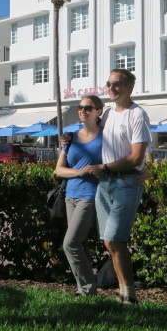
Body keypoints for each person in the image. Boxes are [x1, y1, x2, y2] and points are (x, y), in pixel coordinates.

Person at [86, 69, 151, 305]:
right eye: (109, 84)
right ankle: (123, 293)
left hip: (126, 182)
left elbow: (136, 156)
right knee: (108, 241)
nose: (111, 88)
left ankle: (129, 296)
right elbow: (90, 135)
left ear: (130, 86)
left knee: (115, 239)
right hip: (105, 184)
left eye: (117, 84)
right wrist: (66, 141)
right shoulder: (110, 115)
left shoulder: (137, 115)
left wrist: (106, 168)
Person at [54, 94, 104, 297]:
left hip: (89, 197)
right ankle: (84, 287)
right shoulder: (71, 137)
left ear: (98, 112)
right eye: (80, 108)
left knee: (70, 243)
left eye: (88, 108)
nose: (82, 111)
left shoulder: (106, 137)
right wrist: (80, 172)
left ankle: (87, 290)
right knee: (80, 243)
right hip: (70, 195)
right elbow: (58, 170)